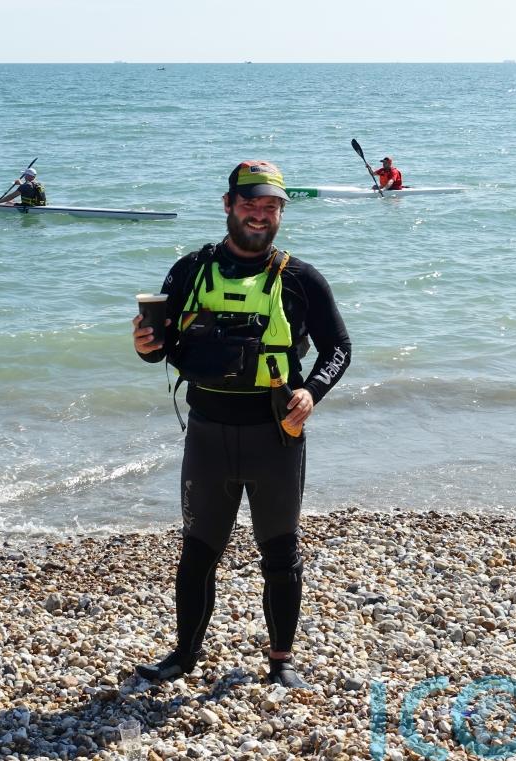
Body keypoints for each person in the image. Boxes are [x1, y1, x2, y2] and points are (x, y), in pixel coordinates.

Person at [132, 159, 351, 688]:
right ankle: (183, 657)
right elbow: (157, 346)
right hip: (207, 433)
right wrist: (143, 346)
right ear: (228, 204)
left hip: (276, 436)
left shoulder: (300, 278)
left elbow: (339, 348)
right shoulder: (189, 270)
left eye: (271, 206)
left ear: (280, 213)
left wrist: (311, 390)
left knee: (279, 552)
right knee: (198, 550)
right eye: (250, 203)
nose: (260, 214)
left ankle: (280, 663)